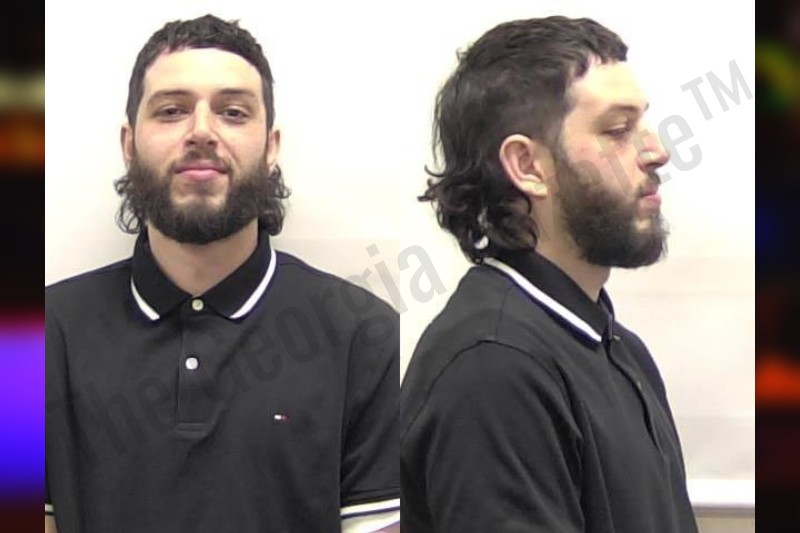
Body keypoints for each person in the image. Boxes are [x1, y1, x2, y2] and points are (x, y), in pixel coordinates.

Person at [45, 14, 399, 533]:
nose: (202, 132)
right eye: (172, 110)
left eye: (233, 112)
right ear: (129, 144)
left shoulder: (363, 335)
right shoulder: (34, 337)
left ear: (271, 147)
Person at [401, 16, 698, 533]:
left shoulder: (616, 348)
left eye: (643, 124)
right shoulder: (494, 369)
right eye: (618, 130)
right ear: (528, 166)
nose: (657, 151)